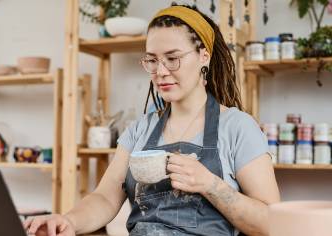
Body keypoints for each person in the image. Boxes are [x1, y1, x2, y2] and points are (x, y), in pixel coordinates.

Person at [24, 3, 280, 236]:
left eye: (172, 58)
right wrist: (69, 221)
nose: (161, 72)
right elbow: (105, 197)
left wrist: (211, 185)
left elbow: (272, 224)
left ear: (204, 56)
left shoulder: (238, 127)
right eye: (152, 60)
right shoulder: (140, 130)